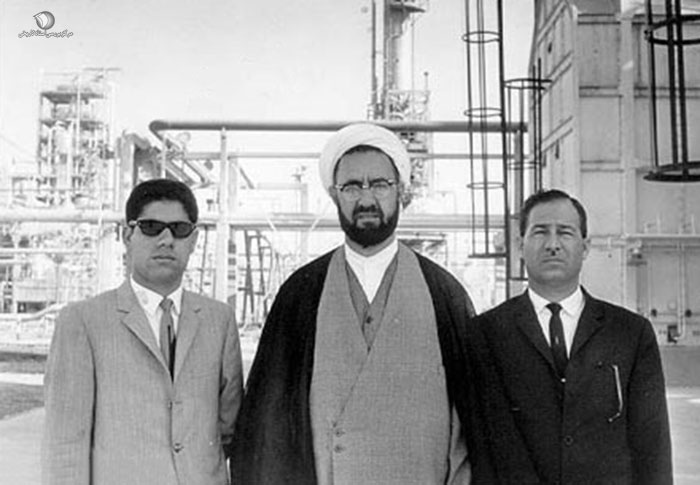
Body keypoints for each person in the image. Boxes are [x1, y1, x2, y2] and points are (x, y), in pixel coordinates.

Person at [230, 123, 498, 484]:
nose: (366, 198)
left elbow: (473, 425)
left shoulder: (443, 292)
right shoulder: (301, 293)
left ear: (401, 191)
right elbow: (268, 424)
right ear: (334, 195)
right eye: (352, 186)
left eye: (380, 184)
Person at [42, 178, 244, 485]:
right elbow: (65, 444)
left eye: (179, 229)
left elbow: (229, 427)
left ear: (194, 240)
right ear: (128, 235)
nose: (166, 239)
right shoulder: (82, 321)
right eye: (151, 227)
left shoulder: (220, 320)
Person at [475, 189, 672, 484]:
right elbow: (480, 446)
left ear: (585, 247)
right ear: (520, 245)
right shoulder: (486, 334)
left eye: (565, 233)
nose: (553, 244)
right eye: (540, 232)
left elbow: (652, 445)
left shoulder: (630, 333)